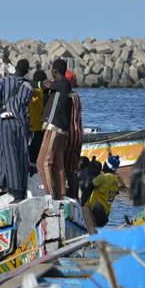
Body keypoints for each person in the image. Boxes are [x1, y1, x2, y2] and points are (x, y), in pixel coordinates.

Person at [0, 59, 33, 201]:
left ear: (15, 68)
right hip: (21, 123)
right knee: (21, 156)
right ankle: (22, 188)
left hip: (6, 121)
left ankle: (15, 192)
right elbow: (25, 103)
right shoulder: (28, 86)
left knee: (8, 156)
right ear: (26, 71)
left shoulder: (3, 81)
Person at [36, 59, 72, 199]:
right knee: (58, 164)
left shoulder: (62, 84)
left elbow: (44, 86)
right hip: (60, 129)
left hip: (53, 128)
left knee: (43, 162)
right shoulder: (64, 86)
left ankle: (50, 196)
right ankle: (61, 195)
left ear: (54, 71)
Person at [85, 156, 120, 227]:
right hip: (106, 213)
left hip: (96, 210)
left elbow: (90, 184)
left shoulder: (104, 177)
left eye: (105, 163)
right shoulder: (116, 180)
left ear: (107, 165)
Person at [64, 72, 83, 200]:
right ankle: (75, 198)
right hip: (78, 135)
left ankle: (66, 197)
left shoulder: (65, 95)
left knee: (63, 167)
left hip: (68, 135)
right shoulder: (76, 96)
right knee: (73, 169)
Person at [28, 70, 48, 173]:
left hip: (33, 128)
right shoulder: (45, 92)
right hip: (42, 128)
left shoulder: (32, 92)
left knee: (32, 154)